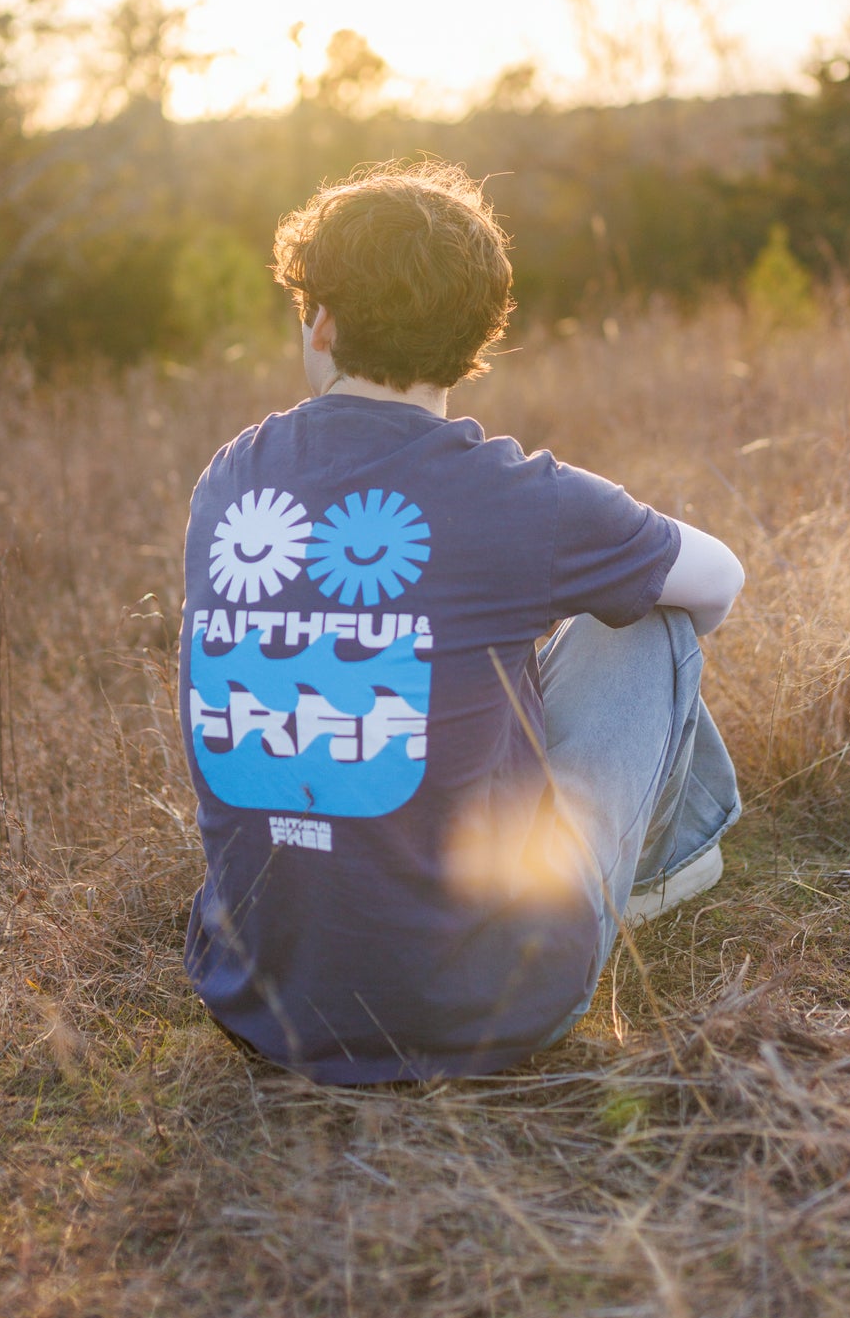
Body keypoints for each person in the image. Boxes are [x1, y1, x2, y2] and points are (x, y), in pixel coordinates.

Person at [178, 160, 744, 1083]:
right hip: (486, 1006)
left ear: (320, 320)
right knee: (651, 617)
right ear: (480, 336)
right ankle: (658, 869)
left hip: (256, 1000)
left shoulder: (231, 476)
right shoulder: (516, 496)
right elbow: (719, 581)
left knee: (479, 651)